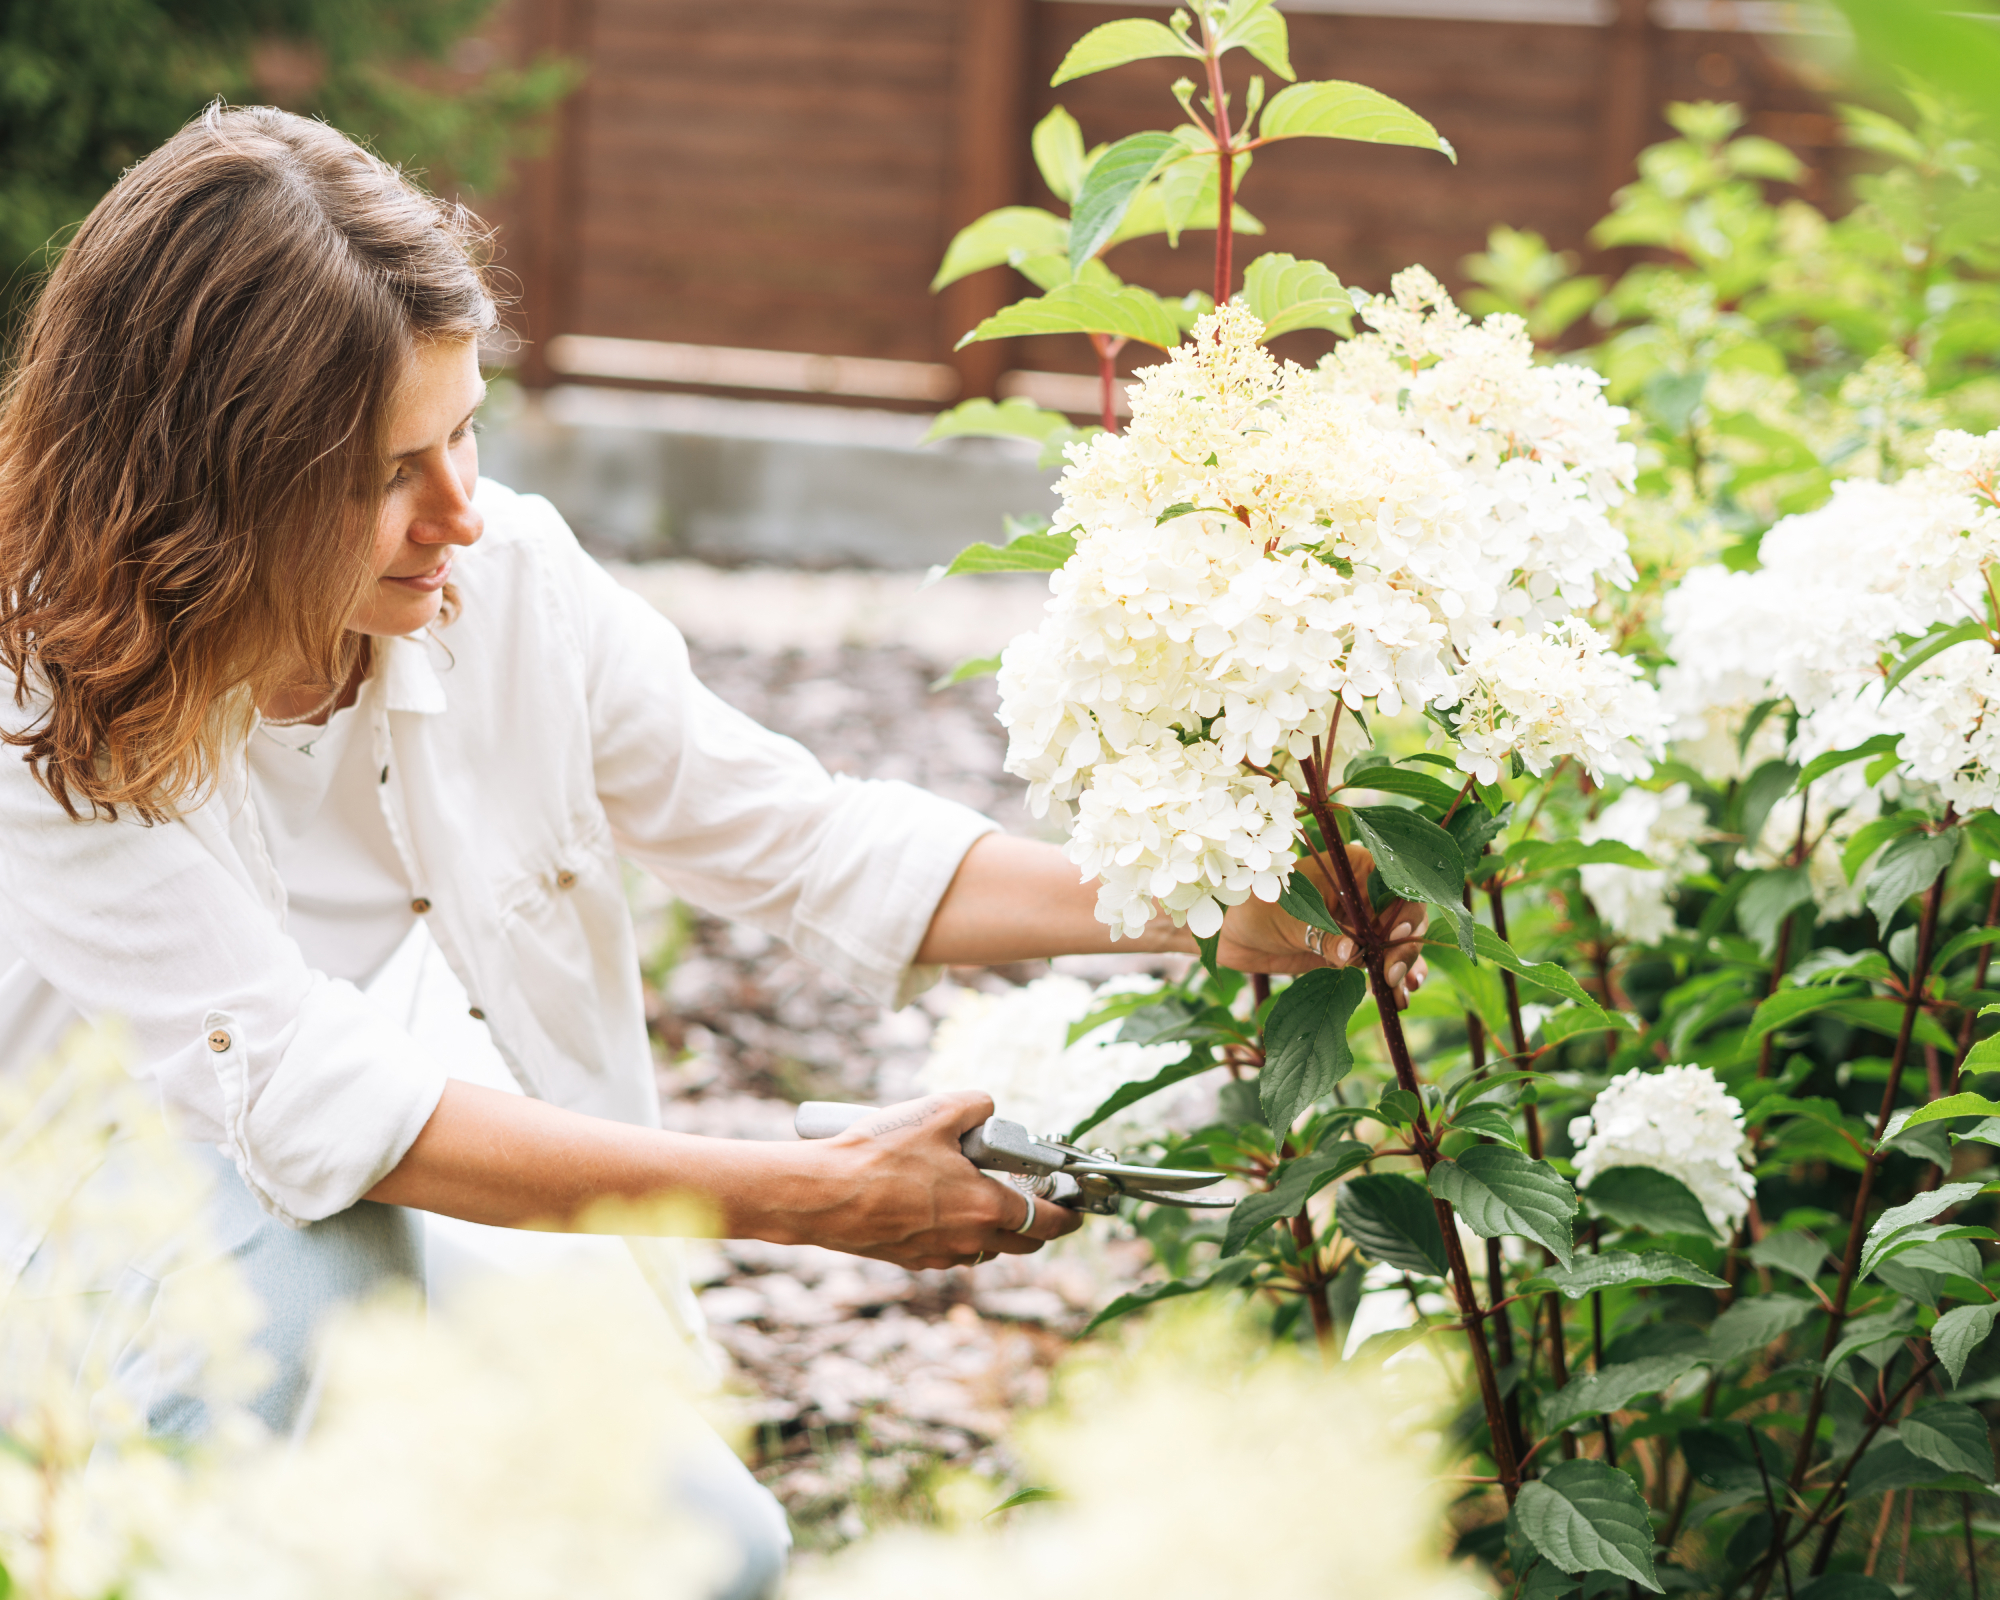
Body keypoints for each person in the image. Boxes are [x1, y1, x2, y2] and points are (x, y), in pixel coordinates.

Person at [0, 106, 1428, 1597]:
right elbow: (314, 1107)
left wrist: (1199, 909)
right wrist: (812, 1197)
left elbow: (800, 840)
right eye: (384, 475)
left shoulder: (512, 586)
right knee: (316, 1282)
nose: (459, 512)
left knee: (709, 1552)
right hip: (69, 1226)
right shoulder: (47, 698)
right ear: (220, 488)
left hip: (360, 1180)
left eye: (465, 429)